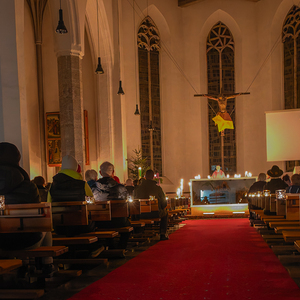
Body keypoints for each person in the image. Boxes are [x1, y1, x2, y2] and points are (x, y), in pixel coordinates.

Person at [0, 142, 53, 273]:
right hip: (26, 241)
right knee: (45, 226)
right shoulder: (29, 186)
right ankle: (47, 265)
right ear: (18, 160)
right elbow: (37, 218)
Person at [48, 155, 96, 236]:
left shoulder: (52, 185)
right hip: (81, 226)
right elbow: (92, 203)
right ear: (75, 168)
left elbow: (48, 205)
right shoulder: (83, 184)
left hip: (59, 228)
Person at [96, 161, 131, 249]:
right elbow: (127, 206)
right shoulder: (121, 187)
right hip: (118, 221)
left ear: (100, 173)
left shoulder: (93, 187)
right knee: (128, 226)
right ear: (113, 172)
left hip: (100, 221)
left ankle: (109, 245)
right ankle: (121, 247)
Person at [134, 169, 169, 241]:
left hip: (140, 214)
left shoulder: (137, 188)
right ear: (153, 177)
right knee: (165, 213)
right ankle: (162, 234)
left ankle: (137, 233)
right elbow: (163, 203)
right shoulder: (157, 188)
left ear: (145, 177)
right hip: (154, 213)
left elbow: (134, 201)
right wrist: (162, 207)